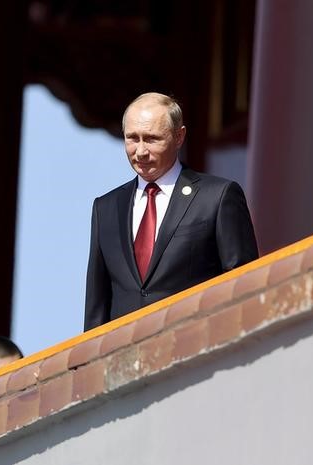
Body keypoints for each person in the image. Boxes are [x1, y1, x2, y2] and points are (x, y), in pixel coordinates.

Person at [84, 92, 258, 331]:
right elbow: (97, 305)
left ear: (179, 137)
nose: (141, 151)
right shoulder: (106, 208)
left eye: (152, 139)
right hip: (123, 357)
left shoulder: (216, 197)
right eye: (132, 139)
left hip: (194, 348)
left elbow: (242, 285)